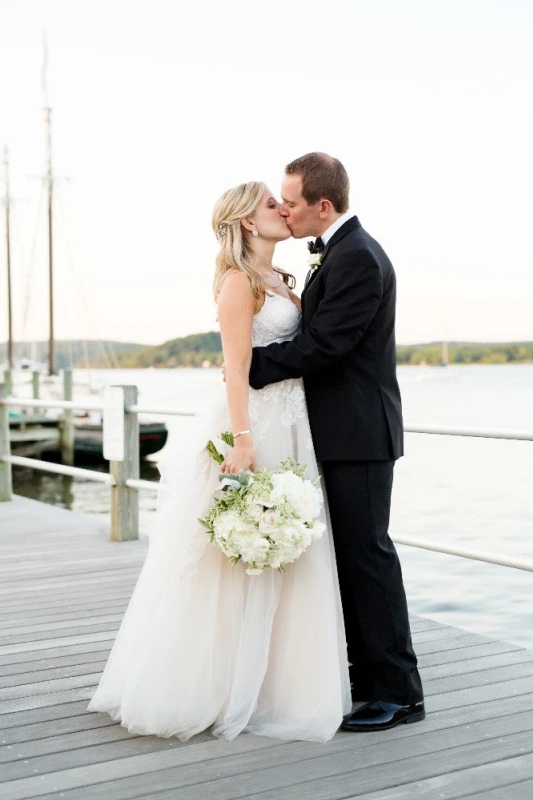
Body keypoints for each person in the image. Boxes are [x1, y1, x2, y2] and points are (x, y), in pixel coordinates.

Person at [88, 181, 352, 743]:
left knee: (289, 547)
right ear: (249, 223)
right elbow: (236, 369)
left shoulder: (281, 281)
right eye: (270, 205)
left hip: (293, 423)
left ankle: (276, 685)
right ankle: (219, 684)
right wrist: (243, 439)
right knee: (233, 559)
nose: (283, 209)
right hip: (255, 425)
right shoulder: (238, 282)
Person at [248, 152, 424, 732]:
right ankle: (367, 678)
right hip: (339, 432)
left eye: (292, 202)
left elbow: (327, 346)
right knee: (350, 560)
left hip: (359, 434)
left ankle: (398, 692)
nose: (285, 210)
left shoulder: (359, 258)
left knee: (368, 559)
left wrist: (250, 365)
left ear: (323, 206)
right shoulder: (341, 253)